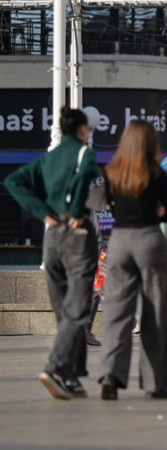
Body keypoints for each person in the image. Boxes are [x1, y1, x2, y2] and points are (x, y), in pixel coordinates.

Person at [4, 107, 99, 399]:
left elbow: (13, 182)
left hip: (52, 238)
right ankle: (56, 366)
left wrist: (43, 214)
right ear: (83, 130)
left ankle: (71, 377)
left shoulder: (49, 159)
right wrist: (75, 212)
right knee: (78, 309)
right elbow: (86, 178)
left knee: (64, 312)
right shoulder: (85, 153)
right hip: (77, 236)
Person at [97, 119, 167, 401]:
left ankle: (110, 376)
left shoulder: (112, 172)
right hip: (149, 240)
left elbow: (111, 206)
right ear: (150, 142)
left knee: (117, 310)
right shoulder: (156, 173)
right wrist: (155, 210)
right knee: (154, 312)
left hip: (118, 242)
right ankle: (155, 384)